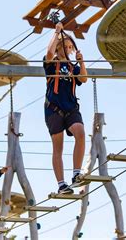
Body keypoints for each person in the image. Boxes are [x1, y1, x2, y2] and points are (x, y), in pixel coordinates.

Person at [44, 22, 88, 194]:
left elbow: (83, 78)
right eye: (66, 46)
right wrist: (56, 32)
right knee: (58, 147)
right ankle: (61, 184)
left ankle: (76, 173)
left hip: (70, 107)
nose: (69, 49)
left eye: (71, 47)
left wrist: (81, 62)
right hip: (54, 108)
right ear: (59, 47)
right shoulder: (50, 64)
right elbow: (49, 53)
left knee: (81, 132)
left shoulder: (73, 67)